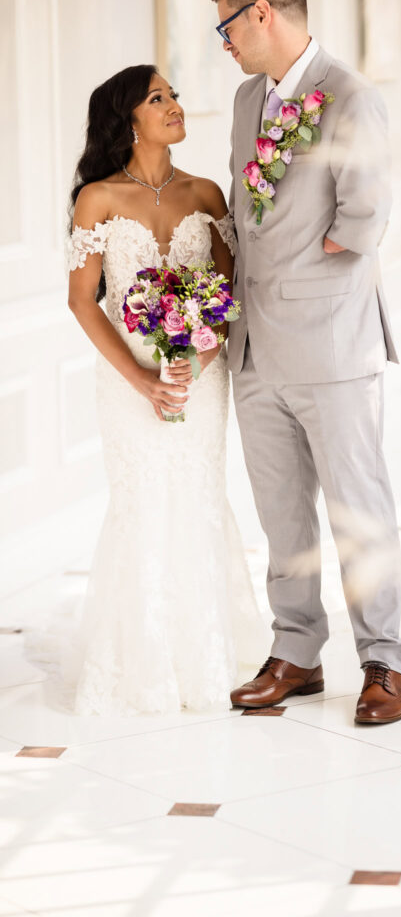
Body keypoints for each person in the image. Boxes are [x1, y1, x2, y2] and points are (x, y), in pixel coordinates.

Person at [213, 0, 401, 724]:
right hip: (253, 346)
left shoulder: (351, 97)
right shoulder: (242, 101)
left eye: (227, 25)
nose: (223, 42)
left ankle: (384, 662)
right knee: (281, 514)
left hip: (330, 341)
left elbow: (364, 218)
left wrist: (312, 261)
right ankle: (295, 651)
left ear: (262, 14)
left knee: (358, 509)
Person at [65, 64, 265, 714]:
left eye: (174, 95)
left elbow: (228, 291)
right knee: (142, 500)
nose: (176, 105)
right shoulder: (97, 198)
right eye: (160, 98)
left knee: (198, 492)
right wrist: (143, 379)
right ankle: (142, 662)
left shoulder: (207, 193)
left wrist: (198, 361)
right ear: (129, 120)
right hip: (128, 379)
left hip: (199, 379)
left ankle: (206, 652)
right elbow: (83, 302)